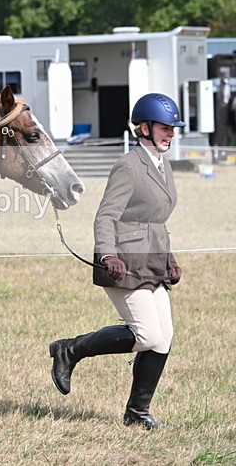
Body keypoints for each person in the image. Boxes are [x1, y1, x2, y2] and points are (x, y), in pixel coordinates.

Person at [49, 93, 185, 430]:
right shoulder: (128, 165)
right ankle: (70, 349)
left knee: (163, 337)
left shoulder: (163, 165)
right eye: (165, 128)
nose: (171, 134)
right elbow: (106, 216)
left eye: (173, 128)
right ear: (144, 128)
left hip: (152, 261)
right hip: (123, 262)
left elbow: (155, 219)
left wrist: (169, 259)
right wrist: (108, 254)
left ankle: (137, 413)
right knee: (148, 335)